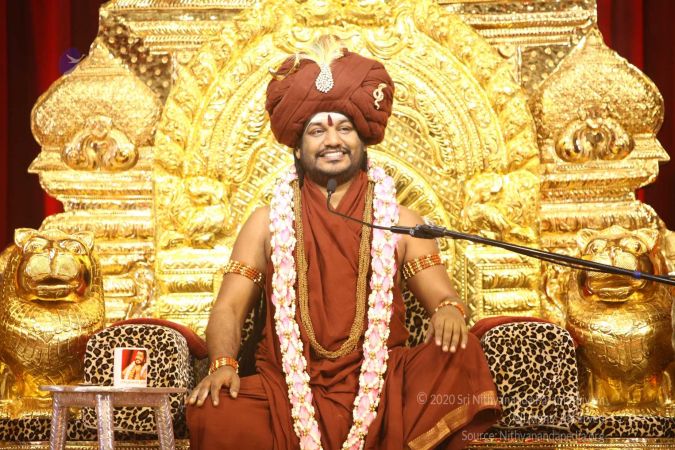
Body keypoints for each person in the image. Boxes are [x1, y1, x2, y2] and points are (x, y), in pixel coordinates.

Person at [186, 36, 500, 449]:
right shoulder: (265, 223)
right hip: (286, 391)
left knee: (462, 356)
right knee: (214, 411)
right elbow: (228, 307)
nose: (332, 140)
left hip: (387, 385)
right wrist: (224, 363)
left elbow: (443, 296)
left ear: (362, 139)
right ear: (298, 148)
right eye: (317, 130)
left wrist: (448, 311)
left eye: (344, 128)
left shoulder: (401, 222)